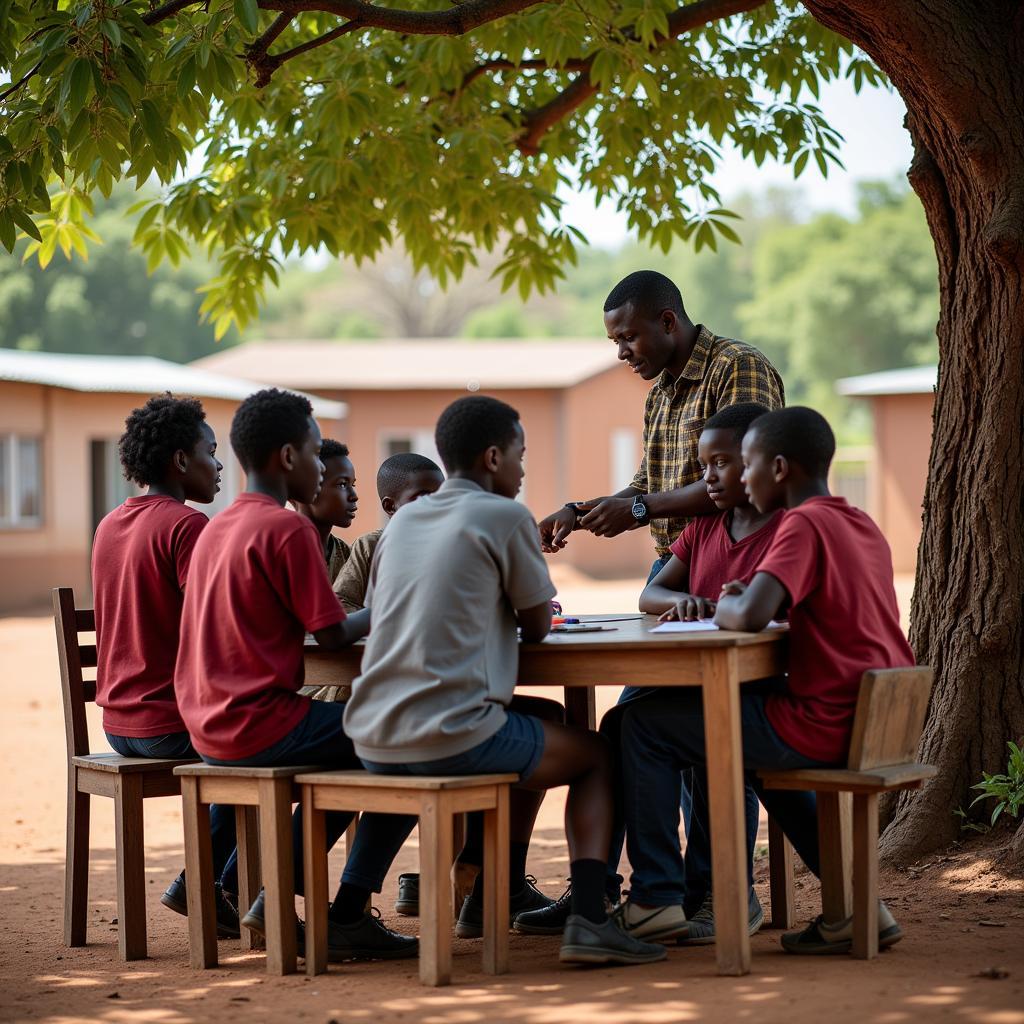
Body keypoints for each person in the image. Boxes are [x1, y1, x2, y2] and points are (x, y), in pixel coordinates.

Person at [344, 395, 667, 965]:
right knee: (597, 753)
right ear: (494, 457)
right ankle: (591, 918)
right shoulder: (505, 516)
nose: (523, 469)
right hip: (450, 732)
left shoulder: (404, 521)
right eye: (521, 455)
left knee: (540, 721)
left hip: (370, 729)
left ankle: (471, 891)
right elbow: (539, 626)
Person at [616, 407, 913, 955]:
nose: (741, 477)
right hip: (872, 714)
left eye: (746, 463)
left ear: (778, 468)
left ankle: (655, 898)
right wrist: (744, 598)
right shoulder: (856, 520)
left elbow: (750, 615)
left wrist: (733, 599)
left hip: (823, 720)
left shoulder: (800, 523)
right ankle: (857, 909)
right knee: (727, 730)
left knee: (639, 723)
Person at [516, 402, 780, 940]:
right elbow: (652, 592)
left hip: (761, 693)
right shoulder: (708, 526)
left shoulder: (785, 531)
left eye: (721, 463)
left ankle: (705, 890)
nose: (708, 477)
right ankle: (627, 890)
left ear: (759, 463)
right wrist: (680, 603)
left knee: (654, 730)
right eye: (703, 465)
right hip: (706, 679)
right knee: (621, 725)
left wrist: (712, 606)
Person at [174, 388, 418, 962]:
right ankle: (346, 911)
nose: (321, 466)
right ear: (288, 457)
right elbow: (333, 635)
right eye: (315, 453)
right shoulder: (287, 531)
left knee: (373, 736)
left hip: (206, 722)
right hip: (259, 723)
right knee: (414, 739)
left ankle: (275, 893)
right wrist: (398, 605)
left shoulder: (219, 524)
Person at [91, 394, 239, 935]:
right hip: (168, 724)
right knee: (257, 746)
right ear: (181, 460)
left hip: (117, 726)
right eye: (211, 452)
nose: (219, 466)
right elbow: (216, 630)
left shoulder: (109, 524)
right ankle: (206, 884)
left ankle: (219, 885)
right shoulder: (187, 527)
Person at [538, 270, 784, 582]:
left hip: (732, 559)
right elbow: (647, 487)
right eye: (616, 341)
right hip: (672, 563)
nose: (621, 353)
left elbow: (744, 479)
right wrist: (576, 515)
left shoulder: (738, 366)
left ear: (668, 322)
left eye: (629, 337)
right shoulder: (658, 395)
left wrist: (639, 508)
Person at [334, 452, 444, 614]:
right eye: (423, 497)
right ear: (390, 506)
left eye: (441, 496)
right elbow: (341, 601)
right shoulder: (372, 545)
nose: (436, 505)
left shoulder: (449, 542)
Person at [292, 438, 358, 584]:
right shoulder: (285, 551)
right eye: (342, 484)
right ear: (310, 487)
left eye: (352, 484)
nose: (354, 496)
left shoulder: (348, 556)